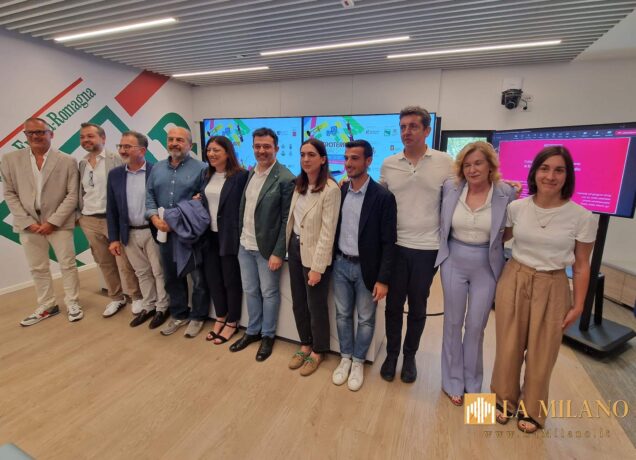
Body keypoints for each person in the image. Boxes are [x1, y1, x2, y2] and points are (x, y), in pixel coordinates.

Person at [491, 146, 596, 433]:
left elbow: (582, 265)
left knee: (543, 352)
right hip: (515, 277)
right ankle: (503, 400)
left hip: (553, 283)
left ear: (567, 175)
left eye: (559, 170)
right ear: (535, 172)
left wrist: (579, 304)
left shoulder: (582, 216)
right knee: (508, 346)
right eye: (545, 168)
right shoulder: (517, 208)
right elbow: (498, 240)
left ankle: (532, 410)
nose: (551, 176)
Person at [434, 141, 516, 405]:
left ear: (490, 165)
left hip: (486, 265)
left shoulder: (506, 192)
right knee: (452, 323)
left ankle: (472, 383)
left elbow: (509, 230)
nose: (472, 169)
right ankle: (452, 382)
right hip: (453, 261)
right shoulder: (451, 187)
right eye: (467, 165)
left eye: (478, 163)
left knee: (476, 326)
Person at [379, 106, 453, 383]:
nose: (406, 132)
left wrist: (502, 187)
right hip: (396, 247)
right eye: (402, 127)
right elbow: (378, 198)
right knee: (393, 306)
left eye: (413, 126)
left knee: (418, 307)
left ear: (427, 130)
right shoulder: (389, 163)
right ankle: (391, 355)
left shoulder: (445, 162)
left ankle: (410, 357)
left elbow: (467, 189)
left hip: (428, 248)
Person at [1, 117, 82, 325]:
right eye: (30, 133)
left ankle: (72, 302)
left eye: (40, 132)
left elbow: (72, 194)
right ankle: (47, 305)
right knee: (37, 267)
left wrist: (53, 222)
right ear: (25, 135)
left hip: (59, 223)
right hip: (28, 224)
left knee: (68, 264)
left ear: (50, 134)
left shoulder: (67, 160)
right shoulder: (10, 159)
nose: (35, 136)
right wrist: (27, 221)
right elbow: (9, 193)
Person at [331, 140, 397, 391]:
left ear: (368, 161)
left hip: (367, 269)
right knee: (342, 315)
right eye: (346, 158)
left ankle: (358, 361)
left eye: (355, 158)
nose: (348, 163)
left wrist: (384, 279)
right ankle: (345, 357)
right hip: (340, 264)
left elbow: (389, 242)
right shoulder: (341, 191)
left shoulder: (383, 197)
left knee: (366, 319)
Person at [230, 127, 295, 362]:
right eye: (257, 146)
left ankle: (268, 335)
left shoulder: (285, 177)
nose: (261, 150)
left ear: (276, 148)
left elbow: (287, 219)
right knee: (250, 290)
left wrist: (279, 251)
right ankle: (253, 331)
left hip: (267, 250)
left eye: (266, 146)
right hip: (244, 245)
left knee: (269, 293)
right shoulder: (250, 173)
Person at [146, 126, 208, 338]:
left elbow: (202, 201)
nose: (174, 143)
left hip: (189, 233)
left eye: (180, 140)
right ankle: (179, 314)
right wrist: (154, 218)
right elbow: (149, 196)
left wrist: (176, 221)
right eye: (171, 139)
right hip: (164, 232)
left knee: (198, 277)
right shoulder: (157, 168)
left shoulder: (202, 168)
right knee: (171, 276)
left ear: (190, 144)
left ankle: (198, 316)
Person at [285, 138, 340, 376]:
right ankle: (305, 344)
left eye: (311, 155)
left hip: (315, 254)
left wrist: (318, 267)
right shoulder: (299, 185)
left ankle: (318, 350)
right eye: (302, 154)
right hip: (295, 248)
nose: (306, 159)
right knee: (298, 302)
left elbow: (328, 232)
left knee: (315, 305)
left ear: (323, 159)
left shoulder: (330, 189)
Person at [78, 122, 142, 318]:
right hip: (89, 219)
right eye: (82, 137)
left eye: (90, 136)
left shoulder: (117, 160)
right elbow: (81, 191)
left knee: (125, 262)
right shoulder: (82, 163)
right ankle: (116, 298)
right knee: (104, 263)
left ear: (103, 138)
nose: (86, 140)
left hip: (113, 219)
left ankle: (136, 296)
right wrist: (80, 216)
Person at [106, 131, 169, 329]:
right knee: (142, 272)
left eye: (127, 146)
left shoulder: (157, 171)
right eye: (121, 146)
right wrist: (113, 238)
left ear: (142, 150)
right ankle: (149, 306)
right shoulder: (115, 175)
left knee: (159, 271)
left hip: (152, 231)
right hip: (129, 233)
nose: (122, 150)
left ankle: (162, 308)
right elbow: (111, 209)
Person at [198, 136, 248, 344]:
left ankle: (232, 321)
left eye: (216, 150)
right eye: (209, 150)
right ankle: (220, 316)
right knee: (214, 279)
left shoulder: (240, 176)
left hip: (229, 236)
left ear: (228, 153)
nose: (211, 154)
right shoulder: (206, 174)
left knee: (231, 280)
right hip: (208, 235)